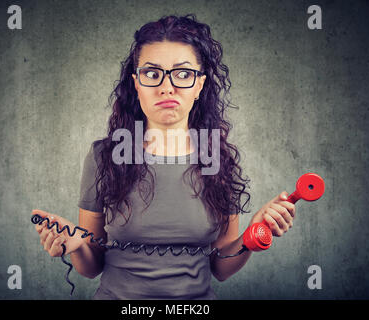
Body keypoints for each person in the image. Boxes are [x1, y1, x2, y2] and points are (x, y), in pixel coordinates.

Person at [31, 14, 296, 300]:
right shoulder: (104, 156)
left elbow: (221, 269)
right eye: (152, 73)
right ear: (136, 83)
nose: (167, 87)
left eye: (183, 74)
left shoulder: (218, 159)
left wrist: (255, 231)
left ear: (199, 85)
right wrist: (76, 243)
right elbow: (91, 267)